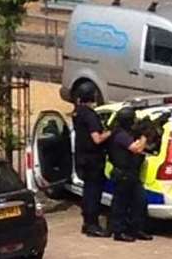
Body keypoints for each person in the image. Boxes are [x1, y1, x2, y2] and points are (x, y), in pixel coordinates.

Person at [72, 82, 111, 237]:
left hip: (82, 158)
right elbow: (97, 139)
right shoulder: (90, 115)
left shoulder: (77, 113)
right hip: (93, 160)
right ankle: (92, 225)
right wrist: (111, 132)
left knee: (88, 192)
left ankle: (87, 222)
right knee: (93, 193)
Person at [109, 107, 153, 242]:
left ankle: (137, 229)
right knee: (120, 204)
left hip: (132, 174)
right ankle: (119, 231)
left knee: (140, 201)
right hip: (123, 174)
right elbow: (137, 148)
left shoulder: (128, 133)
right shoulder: (120, 135)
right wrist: (144, 136)